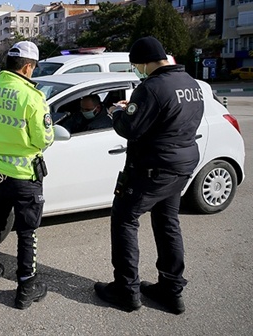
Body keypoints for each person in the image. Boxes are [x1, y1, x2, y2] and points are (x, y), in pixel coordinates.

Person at [94, 36, 204, 314]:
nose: (137, 70)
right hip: (182, 165)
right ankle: (171, 288)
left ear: (144, 63)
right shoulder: (191, 84)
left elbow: (130, 128)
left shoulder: (151, 88)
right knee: (168, 222)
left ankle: (126, 289)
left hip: (152, 169)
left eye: (136, 66)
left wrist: (115, 113)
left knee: (124, 219)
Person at [0, 41, 55, 310]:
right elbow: (43, 139)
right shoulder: (32, 97)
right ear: (28, 67)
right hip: (24, 176)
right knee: (27, 233)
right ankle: (25, 290)